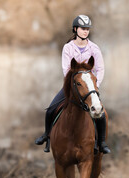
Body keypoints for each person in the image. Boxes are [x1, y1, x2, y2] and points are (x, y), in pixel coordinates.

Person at [35, 15, 110, 154]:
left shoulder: (95, 48)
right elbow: (66, 69)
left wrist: (95, 86)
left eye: (87, 29)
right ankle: (46, 135)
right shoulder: (67, 48)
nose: (85, 31)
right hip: (72, 86)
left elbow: (100, 69)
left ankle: (102, 142)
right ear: (75, 29)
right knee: (51, 108)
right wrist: (74, 85)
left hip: (89, 88)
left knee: (102, 113)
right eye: (83, 29)